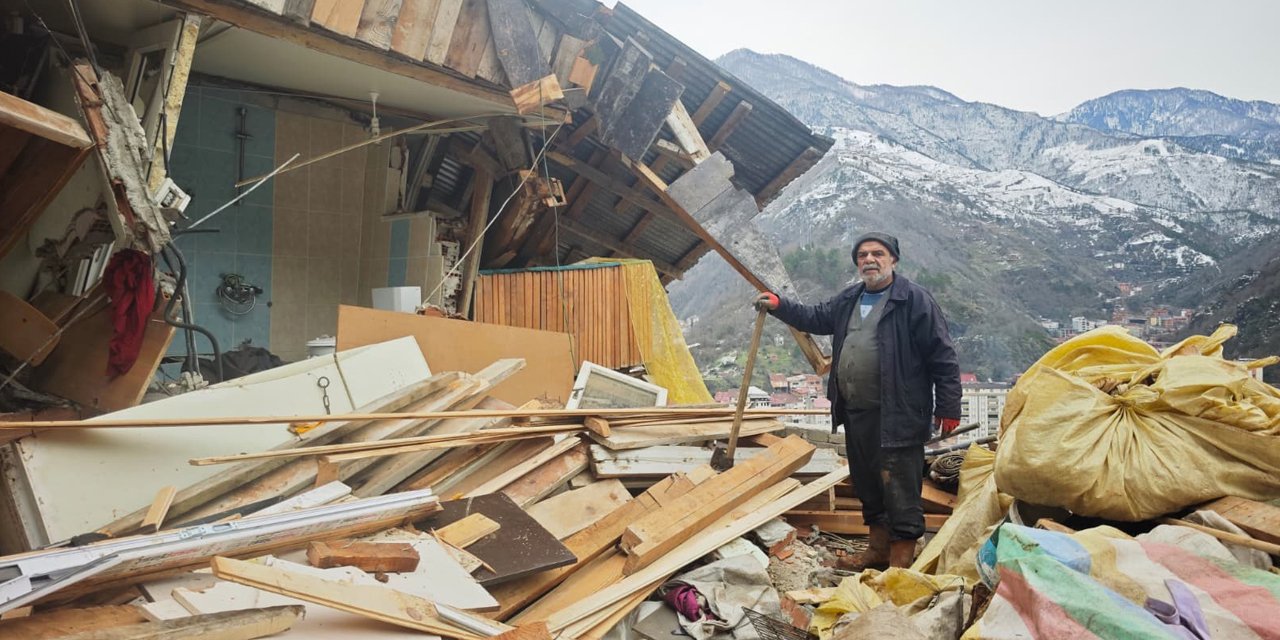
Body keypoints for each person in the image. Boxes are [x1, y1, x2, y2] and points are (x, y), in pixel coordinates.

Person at [755, 232, 960, 569]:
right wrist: (780, 305)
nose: (869, 260)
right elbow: (815, 318)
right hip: (857, 412)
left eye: (877, 253)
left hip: (899, 414)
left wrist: (949, 406)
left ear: (893, 259)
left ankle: (900, 564)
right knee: (868, 483)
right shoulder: (850, 298)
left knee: (900, 488)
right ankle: (877, 551)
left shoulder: (913, 300)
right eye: (862, 255)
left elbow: (943, 357)